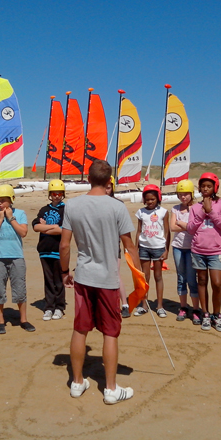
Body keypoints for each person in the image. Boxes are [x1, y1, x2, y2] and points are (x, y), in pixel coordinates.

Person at [60, 159, 140, 405]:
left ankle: (76, 382)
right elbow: (129, 246)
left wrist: (65, 271)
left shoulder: (72, 205)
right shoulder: (116, 207)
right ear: (109, 182)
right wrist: (140, 278)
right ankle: (111, 389)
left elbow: (64, 244)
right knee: (110, 333)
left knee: (80, 328)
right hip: (106, 279)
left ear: (88, 179)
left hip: (84, 276)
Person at [0, 184, 34, 334]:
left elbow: (23, 232)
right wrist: (0, 220)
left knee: (20, 289)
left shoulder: (20, 213)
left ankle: (23, 320)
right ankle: (0, 321)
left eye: (3, 200)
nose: (0, 203)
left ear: (11, 199)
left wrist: (10, 218)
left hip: (17, 257)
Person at [186, 173, 221, 331]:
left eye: (209, 186)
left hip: (215, 251)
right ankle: (205, 314)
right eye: (203, 186)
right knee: (202, 281)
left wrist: (211, 211)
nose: (205, 189)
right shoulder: (196, 207)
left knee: (217, 283)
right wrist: (202, 212)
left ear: (215, 188)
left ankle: (217, 316)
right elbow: (190, 228)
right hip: (198, 250)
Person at [134, 184, 171, 317]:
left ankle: (160, 306)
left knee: (158, 276)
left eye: (153, 199)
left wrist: (166, 249)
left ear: (158, 199)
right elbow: (138, 231)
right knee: (145, 277)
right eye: (147, 199)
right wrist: (135, 249)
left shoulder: (164, 212)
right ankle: (144, 305)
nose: (150, 202)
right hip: (144, 247)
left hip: (158, 248)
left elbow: (167, 232)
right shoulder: (141, 212)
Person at [32, 179, 66, 321]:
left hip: (59, 251)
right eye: (54, 193)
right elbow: (35, 226)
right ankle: (49, 308)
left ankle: (59, 307)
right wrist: (52, 228)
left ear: (62, 194)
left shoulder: (66, 210)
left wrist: (46, 228)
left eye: (59, 193)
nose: (56, 196)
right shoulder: (44, 210)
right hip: (44, 251)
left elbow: (63, 230)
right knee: (48, 280)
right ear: (50, 195)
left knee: (59, 280)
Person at [169, 179, 200, 323]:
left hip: (193, 248)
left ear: (191, 194)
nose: (183, 197)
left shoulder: (196, 208)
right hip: (178, 247)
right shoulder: (175, 209)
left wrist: (183, 224)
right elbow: (172, 227)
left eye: (186, 194)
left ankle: (195, 309)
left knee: (192, 279)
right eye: (181, 194)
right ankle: (183, 307)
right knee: (181, 278)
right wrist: (188, 226)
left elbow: (197, 227)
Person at [106, 176, 130, 318]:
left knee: (115, 274)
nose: (107, 190)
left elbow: (124, 229)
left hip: (114, 246)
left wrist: (127, 246)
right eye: (105, 187)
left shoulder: (118, 204)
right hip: (99, 246)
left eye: (109, 187)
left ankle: (125, 304)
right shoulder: (96, 203)